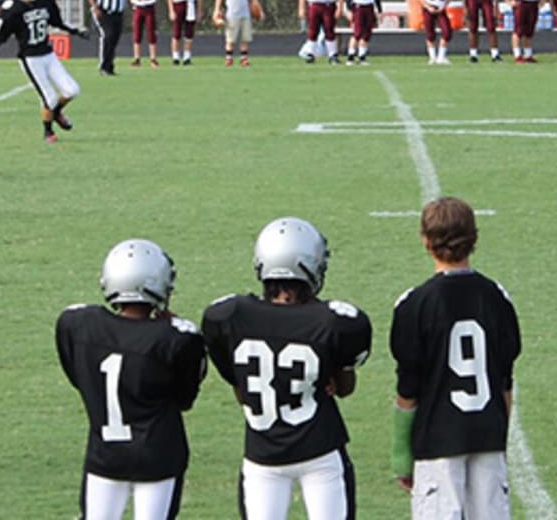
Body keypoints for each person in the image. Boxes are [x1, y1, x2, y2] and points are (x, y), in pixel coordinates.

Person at [202, 217, 372, 520]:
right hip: (320, 453)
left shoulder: (229, 315)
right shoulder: (333, 321)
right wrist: (329, 372)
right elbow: (345, 388)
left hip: (262, 458)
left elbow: (242, 392)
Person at [389, 197, 520, 519]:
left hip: (437, 445)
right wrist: (499, 438)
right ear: (474, 239)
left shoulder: (413, 304)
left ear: (426, 241)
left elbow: (409, 392)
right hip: (488, 436)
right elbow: (504, 381)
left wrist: (401, 457)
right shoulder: (497, 297)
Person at [56, 239, 205, 519]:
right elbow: (185, 399)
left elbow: (77, 373)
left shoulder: (78, 323)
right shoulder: (177, 338)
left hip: (104, 456)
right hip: (158, 458)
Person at [0, 0, 84, 143]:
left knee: (72, 90)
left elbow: (56, 22)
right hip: (30, 58)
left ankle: (56, 112)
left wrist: (75, 31)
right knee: (50, 97)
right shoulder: (13, 8)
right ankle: (48, 131)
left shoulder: (46, 0)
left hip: (48, 53)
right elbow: (1, 37)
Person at [86, 0, 133, 76]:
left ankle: (110, 66)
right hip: (103, 11)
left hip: (118, 11)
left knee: (114, 39)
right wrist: (95, 8)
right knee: (107, 36)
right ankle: (104, 66)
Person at [213, 0, 264, 68]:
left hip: (245, 13)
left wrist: (260, 10)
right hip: (232, 13)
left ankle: (244, 59)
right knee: (230, 38)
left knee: (245, 38)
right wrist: (217, 10)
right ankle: (229, 59)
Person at [129, 0, 161, 68]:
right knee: (137, 33)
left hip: (149, 7)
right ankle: (137, 58)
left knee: (151, 32)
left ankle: (153, 58)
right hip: (138, 7)